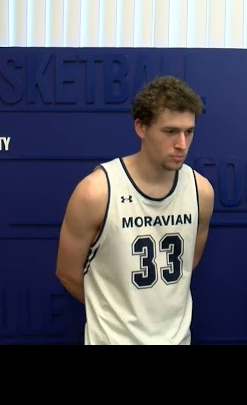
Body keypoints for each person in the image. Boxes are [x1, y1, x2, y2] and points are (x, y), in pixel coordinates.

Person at [55, 75, 215, 345]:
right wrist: (114, 313)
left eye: (189, 131)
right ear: (141, 128)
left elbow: (189, 263)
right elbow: (67, 273)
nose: (182, 144)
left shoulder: (201, 191)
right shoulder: (97, 191)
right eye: (170, 131)